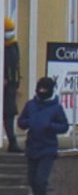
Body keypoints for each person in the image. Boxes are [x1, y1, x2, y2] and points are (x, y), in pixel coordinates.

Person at [17, 77, 69, 195]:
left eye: (44, 89)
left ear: (50, 90)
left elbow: (64, 126)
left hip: (48, 149)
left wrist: (50, 126)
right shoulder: (30, 105)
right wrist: (29, 122)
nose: (41, 91)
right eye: (39, 88)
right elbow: (21, 122)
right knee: (32, 180)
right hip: (32, 147)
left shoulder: (56, 108)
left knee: (41, 180)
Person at [3, 18, 20, 152]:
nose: (9, 33)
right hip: (6, 86)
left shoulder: (12, 45)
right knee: (8, 114)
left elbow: (15, 66)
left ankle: (12, 141)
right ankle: (12, 142)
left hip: (10, 87)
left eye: (10, 30)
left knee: (9, 114)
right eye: (7, 30)